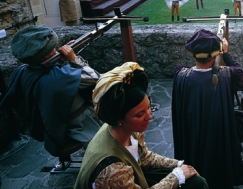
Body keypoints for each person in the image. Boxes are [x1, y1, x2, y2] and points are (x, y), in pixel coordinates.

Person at [75, 62, 208, 189]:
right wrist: (176, 176)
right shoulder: (112, 169)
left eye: (149, 107)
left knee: (196, 182)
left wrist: (178, 164)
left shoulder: (128, 128)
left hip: (133, 174)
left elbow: (144, 157)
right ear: (119, 119)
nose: (149, 116)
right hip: (123, 180)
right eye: (139, 115)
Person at [172, 29, 243, 189]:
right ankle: (232, 148)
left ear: (192, 53)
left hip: (193, 136)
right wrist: (226, 53)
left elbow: (191, 73)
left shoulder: (181, 76)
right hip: (219, 134)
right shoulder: (227, 75)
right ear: (216, 53)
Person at [0, 25, 101, 157]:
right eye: (53, 48)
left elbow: (48, 70)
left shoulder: (21, 71)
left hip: (50, 127)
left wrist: (58, 58)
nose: (56, 49)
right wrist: (73, 59)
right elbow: (94, 77)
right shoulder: (57, 79)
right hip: (79, 124)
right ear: (48, 55)